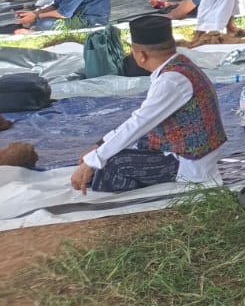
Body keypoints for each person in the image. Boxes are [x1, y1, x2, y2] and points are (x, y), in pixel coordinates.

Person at [68, 14, 225, 193]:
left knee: (113, 165)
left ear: (141, 55)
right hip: (187, 152)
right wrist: (99, 146)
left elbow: (138, 124)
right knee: (110, 153)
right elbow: (140, 123)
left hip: (191, 164)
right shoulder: (180, 66)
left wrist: (94, 160)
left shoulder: (171, 81)